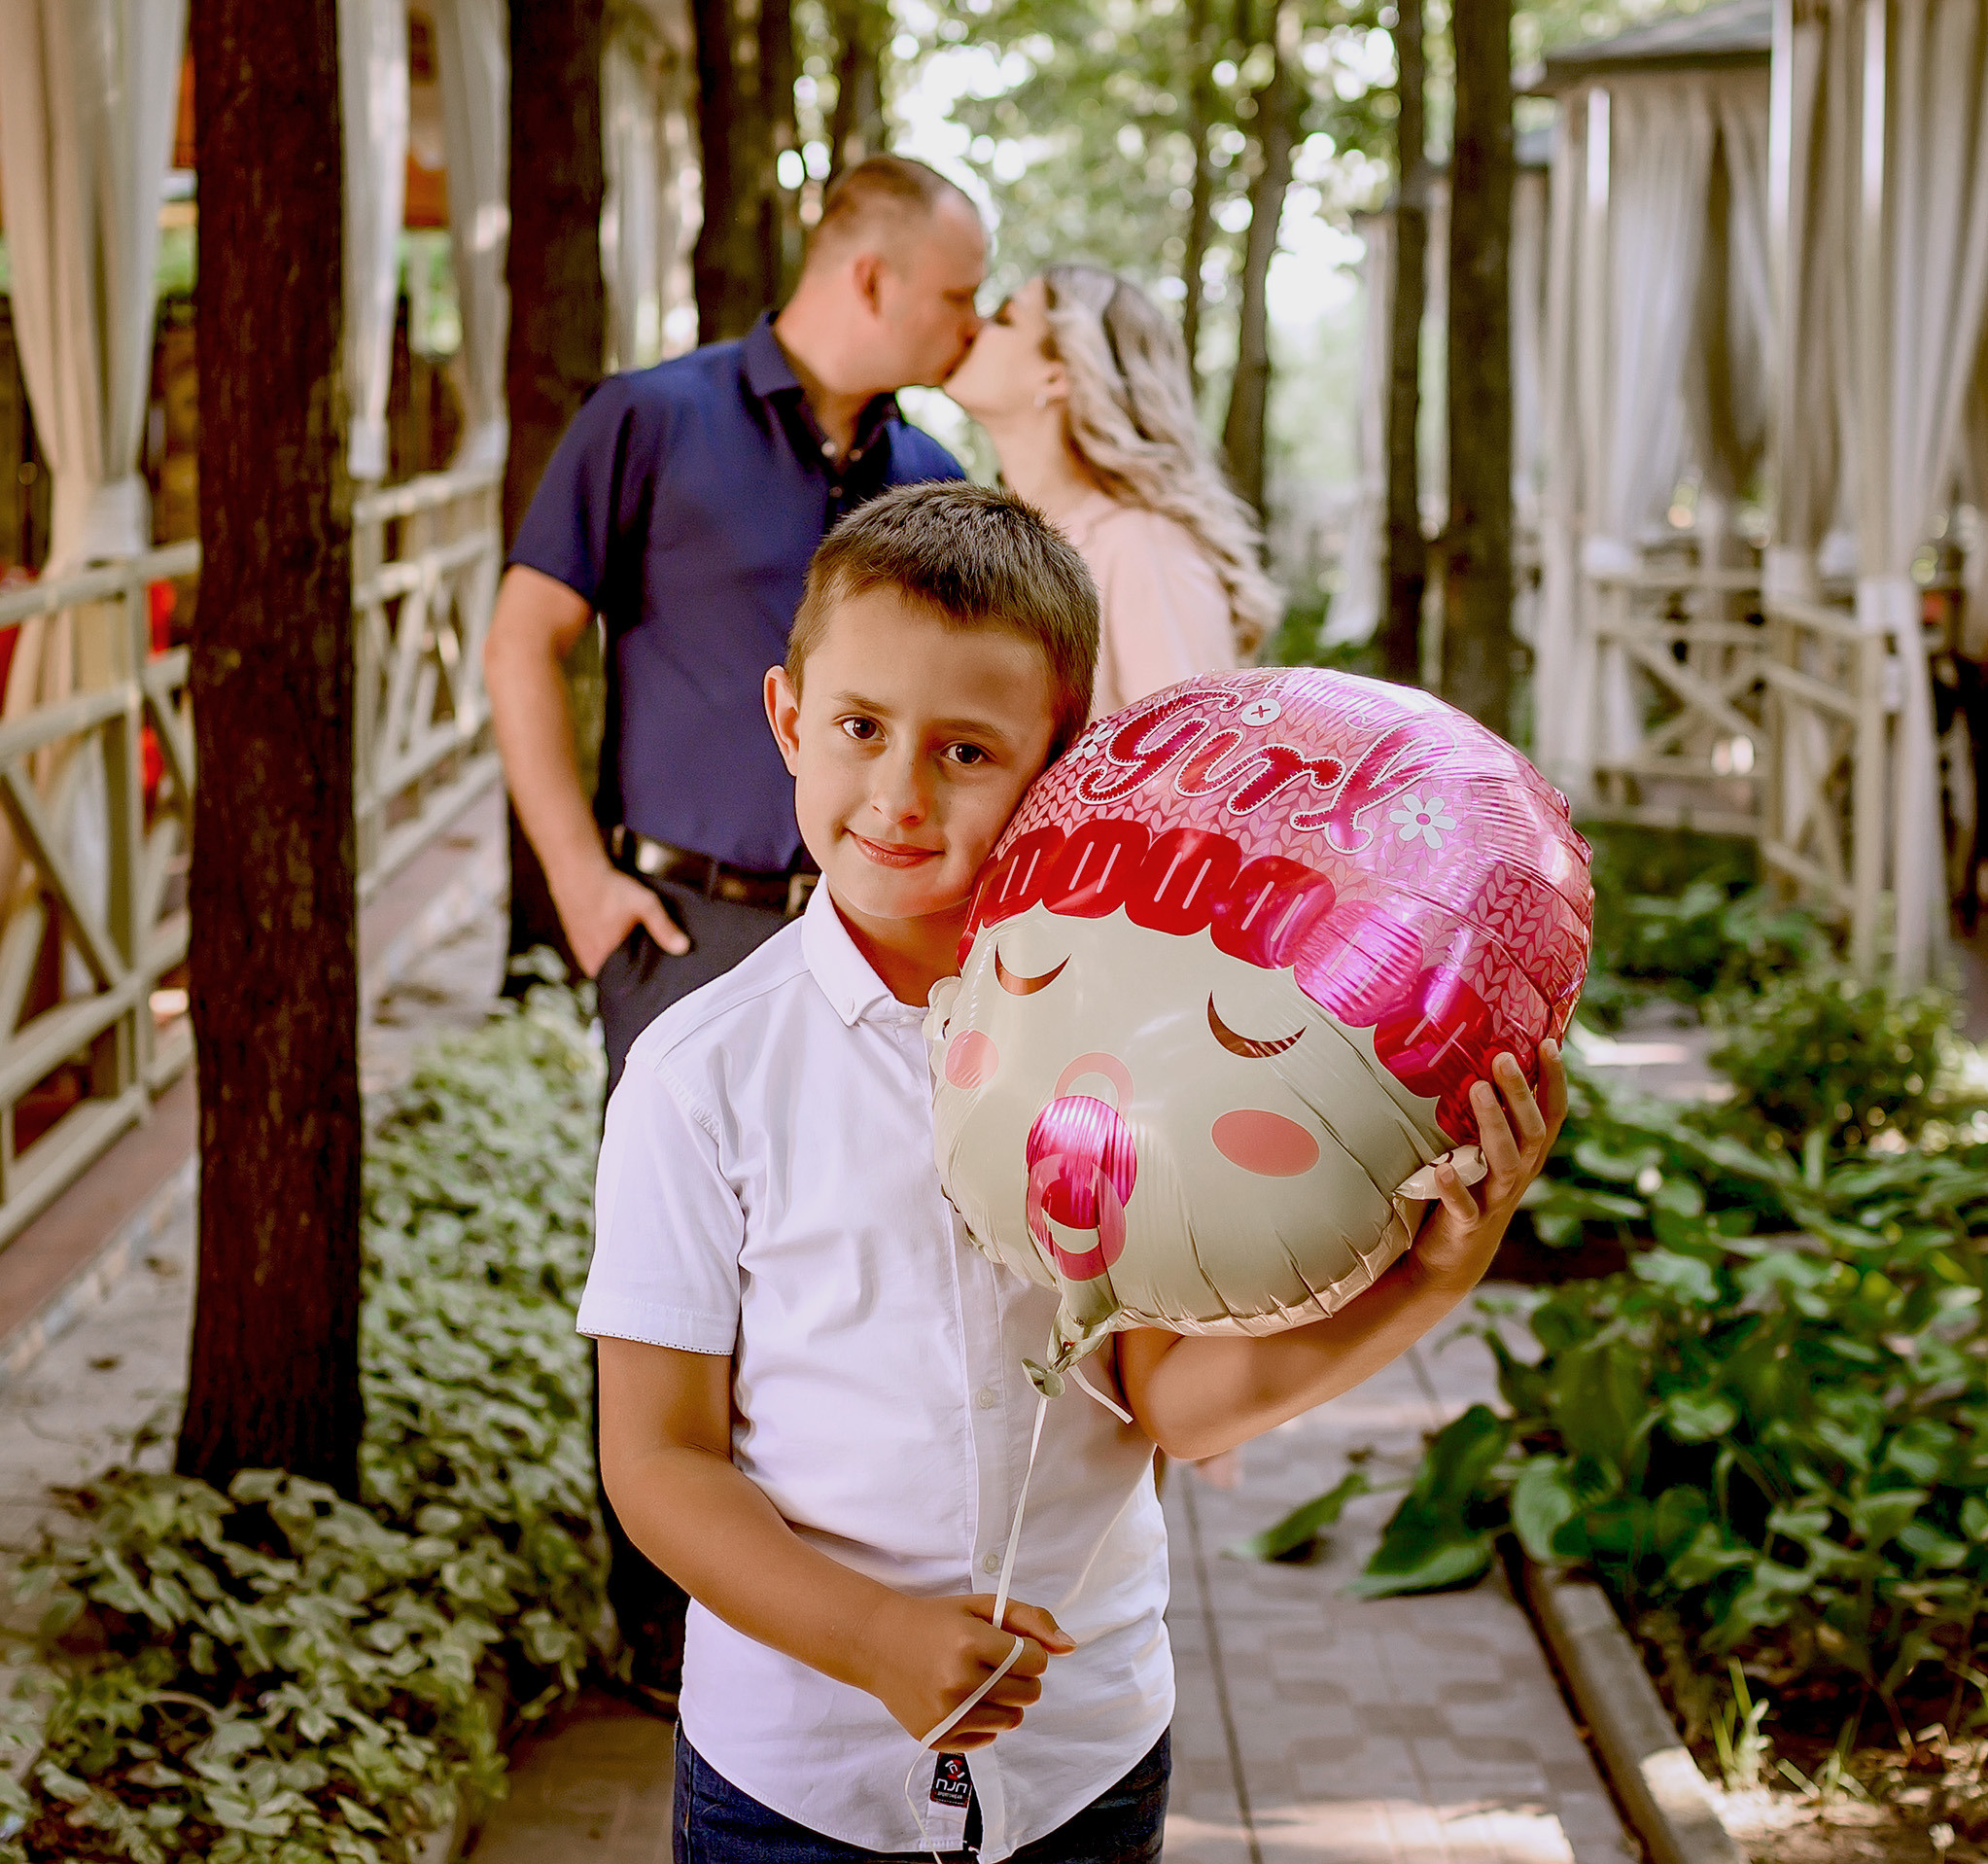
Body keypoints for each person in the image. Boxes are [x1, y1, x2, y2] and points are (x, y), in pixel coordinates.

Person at [586, 482, 1567, 1860]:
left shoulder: (1129, 1041)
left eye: (968, 751)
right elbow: (657, 1456)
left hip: (1081, 1760)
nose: (900, 794)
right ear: (788, 716)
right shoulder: (700, 1076)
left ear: (1061, 761)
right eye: (862, 728)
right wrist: (872, 1637)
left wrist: (1427, 1278)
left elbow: (1167, 1397)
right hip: (795, 1781)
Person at [484, 154, 986, 1705]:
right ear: (870, 278)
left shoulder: (933, 468)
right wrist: (579, 879)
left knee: (868, 1259)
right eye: (957, 293)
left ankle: (856, 1604)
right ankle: (671, 1638)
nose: (973, 322)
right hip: (688, 920)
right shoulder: (650, 417)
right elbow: (521, 642)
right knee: (675, 1293)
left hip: (893, 938)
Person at [943, 264, 1282, 715]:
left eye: (1005, 319)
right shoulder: (988, 539)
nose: (975, 327)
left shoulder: (1143, 548)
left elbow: (1188, 764)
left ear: (1056, 374)